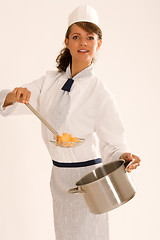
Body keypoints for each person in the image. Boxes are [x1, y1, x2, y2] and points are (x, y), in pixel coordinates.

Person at [0, 4, 141, 240]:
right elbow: (8, 101)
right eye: (76, 37)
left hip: (90, 179)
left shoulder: (100, 94)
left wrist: (124, 156)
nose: (83, 43)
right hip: (59, 177)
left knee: (91, 235)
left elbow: (114, 142)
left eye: (89, 37)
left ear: (98, 44)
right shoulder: (48, 82)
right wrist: (17, 94)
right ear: (67, 42)